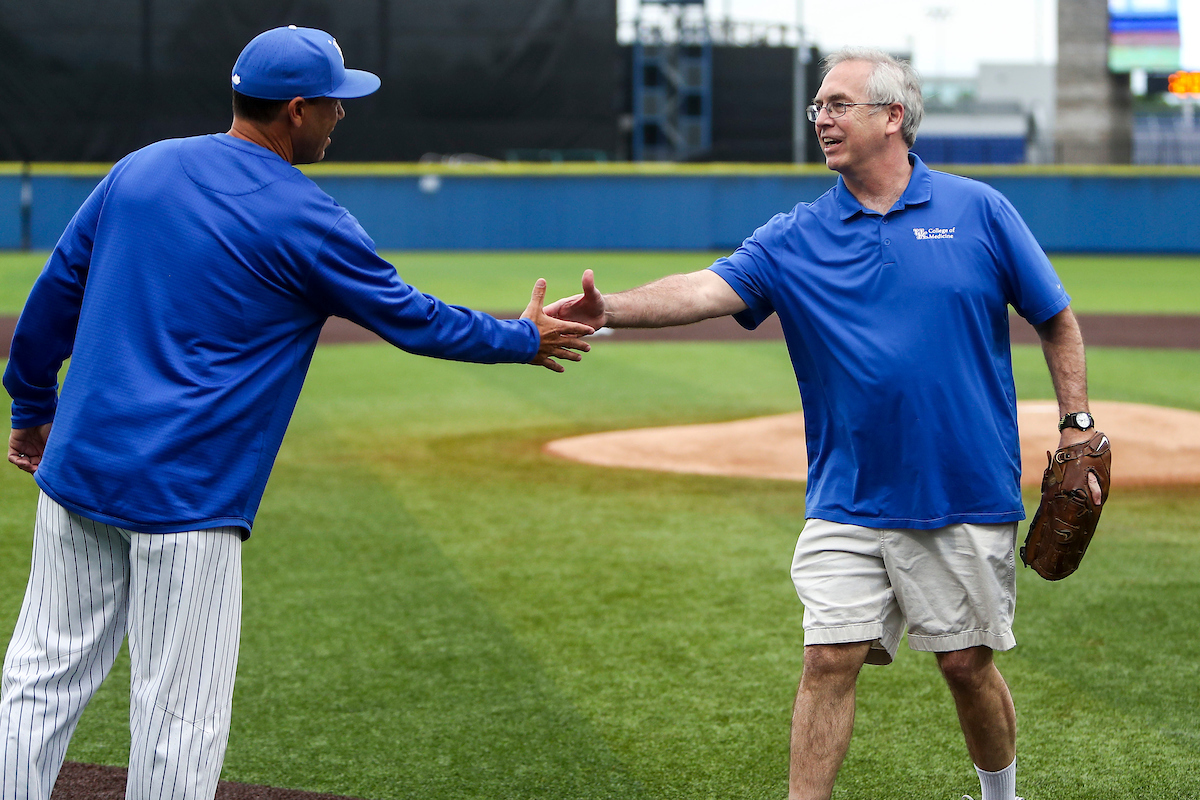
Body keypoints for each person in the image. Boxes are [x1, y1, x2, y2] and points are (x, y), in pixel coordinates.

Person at [0, 25, 592, 800]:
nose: (344, 116)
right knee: (180, 716)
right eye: (336, 104)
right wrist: (521, 338)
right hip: (189, 502)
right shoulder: (306, 216)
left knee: (37, 681)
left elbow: (52, 299)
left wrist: (31, 407)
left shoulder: (140, 169)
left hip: (78, 473)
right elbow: (415, 319)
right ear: (298, 110)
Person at [547, 48, 1101, 800]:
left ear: (892, 117)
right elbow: (705, 288)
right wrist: (609, 309)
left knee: (966, 666)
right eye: (818, 107)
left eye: (839, 104)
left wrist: (1076, 423)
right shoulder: (795, 235)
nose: (822, 119)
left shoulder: (978, 211)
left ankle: (1000, 795)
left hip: (963, 485)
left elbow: (1056, 320)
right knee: (828, 659)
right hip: (847, 494)